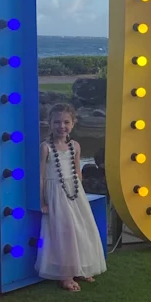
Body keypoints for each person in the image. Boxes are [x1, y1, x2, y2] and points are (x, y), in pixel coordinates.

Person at [35, 103, 107, 291]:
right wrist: (42, 201)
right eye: (57, 122)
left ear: (73, 124)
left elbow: (77, 171)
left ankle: (80, 266)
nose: (62, 126)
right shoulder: (45, 148)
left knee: (80, 229)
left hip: (73, 193)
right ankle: (65, 274)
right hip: (55, 193)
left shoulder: (75, 146)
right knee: (63, 233)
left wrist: (79, 193)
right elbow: (41, 176)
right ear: (49, 124)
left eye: (66, 122)